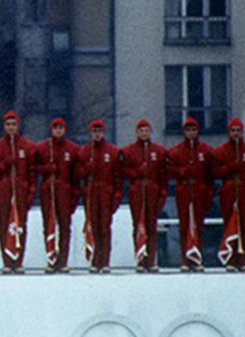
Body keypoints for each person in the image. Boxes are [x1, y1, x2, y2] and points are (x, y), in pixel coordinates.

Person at [0, 112, 36, 273]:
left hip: (21, 189)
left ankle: (18, 261)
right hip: (4, 189)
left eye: (13, 124)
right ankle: (7, 262)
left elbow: (31, 172)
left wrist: (30, 191)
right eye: (8, 124)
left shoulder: (27, 146)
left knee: (21, 225)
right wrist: (5, 164)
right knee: (4, 225)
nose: (11, 127)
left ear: (18, 125)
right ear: (4, 126)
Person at [119, 119, 168, 273]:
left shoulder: (158, 151)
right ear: (137, 132)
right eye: (141, 130)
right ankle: (140, 258)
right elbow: (123, 171)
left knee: (152, 226)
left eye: (146, 130)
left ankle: (151, 260)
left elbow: (163, 175)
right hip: (137, 190)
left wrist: (161, 193)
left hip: (152, 190)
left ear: (150, 132)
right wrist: (136, 173)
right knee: (138, 225)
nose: (144, 133)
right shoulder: (129, 151)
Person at [34, 118, 81, 273]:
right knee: (48, 224)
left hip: (65, 191)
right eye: (55, 128)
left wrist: (74, 196)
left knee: (65, 226)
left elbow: (76, 176)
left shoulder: (73, 149)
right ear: (51, 130)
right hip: (48, 190)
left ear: (65, 129)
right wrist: (46, 169)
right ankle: (50, 258)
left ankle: (63, 260)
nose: (58, 131)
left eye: (61, 128)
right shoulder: (42, 148)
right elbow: (34, 168)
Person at [212, 118, 245, 271]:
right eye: (233, 131)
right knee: (229, 224)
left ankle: (242, 258)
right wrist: (230, 168)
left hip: (244, 191)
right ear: (229, 132)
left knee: (244, 226)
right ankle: (230, 259)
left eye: (238, 130)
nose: (236, 134)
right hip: (229, 191)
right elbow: (214, 172)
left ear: (242, 132)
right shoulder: (222, 151)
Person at [168, 117, 214, 272]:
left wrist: (208, 193)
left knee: (198, 225)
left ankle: (197, 257)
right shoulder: (177, 150)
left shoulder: (205, 150)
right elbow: (169, 169)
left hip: (199, 190)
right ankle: (185, 259)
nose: (191, 133)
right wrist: (182, 172)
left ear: (198, 131)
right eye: (188, 130)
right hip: (184, 190)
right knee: (184, 224)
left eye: (193, 129)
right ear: (184, 132)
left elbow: (210, 174)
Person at [77, 119, 120, 273]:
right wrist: (86, 169)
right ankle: (95, 260)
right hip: (91, 193)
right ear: (90, 133)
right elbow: (78, 174)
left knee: (105, 228)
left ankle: (105, 261)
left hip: (106, 192)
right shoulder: (84, 151)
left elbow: (117, 177)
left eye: (99, 131)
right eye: (94, 132)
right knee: (93, 227)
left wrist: (116, 197)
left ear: (104, 132)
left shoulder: (112, 151)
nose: (97, 134)